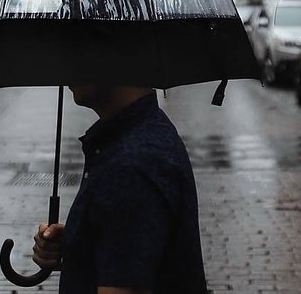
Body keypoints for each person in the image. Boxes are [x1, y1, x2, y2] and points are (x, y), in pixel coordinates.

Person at [32, 83, 208, 294]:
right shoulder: (142, 136)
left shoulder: (131, 167)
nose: (68, 70)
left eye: (79, 53)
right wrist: (79, 241)